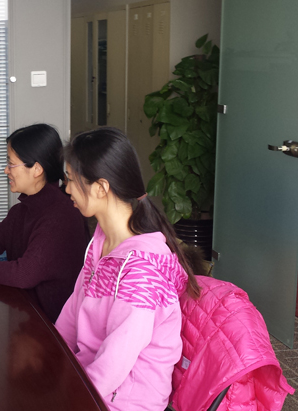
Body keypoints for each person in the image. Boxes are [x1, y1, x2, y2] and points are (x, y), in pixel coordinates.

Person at [54, 127, 203, 411]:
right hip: (91, 382)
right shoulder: (101, 243)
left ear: (100, 187)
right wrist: (50, 355)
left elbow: (117, 359)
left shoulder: (142, 268)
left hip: (125, 401)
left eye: (71, 180)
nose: (67, 189)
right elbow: (73, 312)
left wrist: (73, 398)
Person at [0, 123, 89, 322]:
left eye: (11, 164)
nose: (6, 170)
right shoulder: (24, 209)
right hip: (26, 315)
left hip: (53, 329)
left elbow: (23, 275)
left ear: (37, 169)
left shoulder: (61, 215)